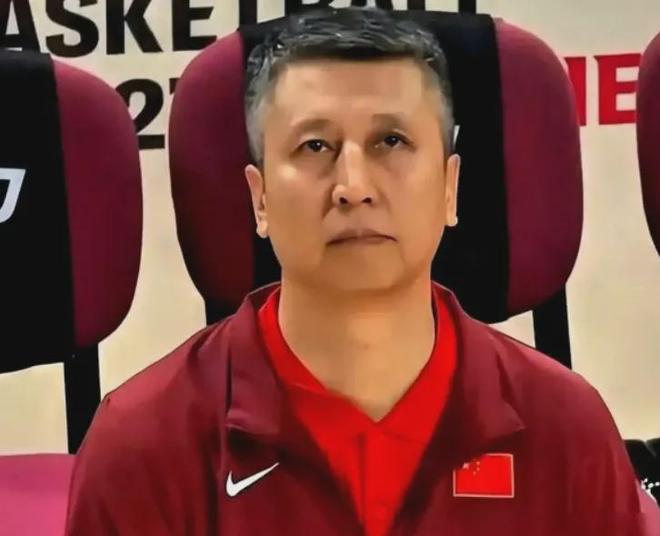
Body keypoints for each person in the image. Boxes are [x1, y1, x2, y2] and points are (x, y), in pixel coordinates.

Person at [64, 6, 659, 535]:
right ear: (259, 198)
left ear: (449, 187)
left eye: (391, 141)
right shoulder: (143, 448)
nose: (353, 186)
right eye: (315, 147)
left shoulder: (567, 430)